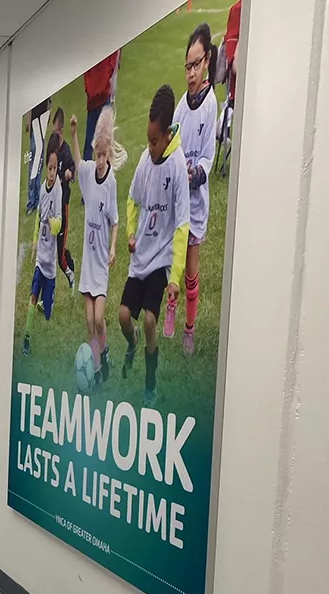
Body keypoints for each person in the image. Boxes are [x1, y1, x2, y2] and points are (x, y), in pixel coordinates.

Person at [120, 85, 189, 407]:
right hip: (140, 259)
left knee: (149, 319)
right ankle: (132, 346)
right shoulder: (145, 163)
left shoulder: (177, 166)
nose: (149, 147)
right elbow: (132, 199)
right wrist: (131, 233)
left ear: (167, 135)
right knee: (123, 317)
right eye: (147, 140)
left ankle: (150, 385)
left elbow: (182, 224)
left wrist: (175, 276)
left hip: (161, 260)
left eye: (153, 141)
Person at [170, 23, 219, 354]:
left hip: (196, 205)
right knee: (171, 263)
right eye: (187, 66)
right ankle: (169, 306)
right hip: (177, 205)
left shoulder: (210, 104)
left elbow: (206, 157)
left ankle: (190, 328)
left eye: (196, 64)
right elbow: (172, 145)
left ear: (208, 61)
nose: (191, 72)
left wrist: (194, 175)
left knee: (190, 270)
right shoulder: (180, 107)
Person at [69, 107, 126, 383]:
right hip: (87, 261)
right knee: (88, 321)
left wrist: (113, 248)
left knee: (99, 317)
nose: (101, 160)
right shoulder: (89, 172)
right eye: (98, 154)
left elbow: (115, 221)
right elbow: (78, 161)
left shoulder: (111, 183)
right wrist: (74, 133)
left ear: (109, 153)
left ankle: (104, 355)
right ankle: (96, 366)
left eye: (105, 155)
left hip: (101, 261)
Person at [22, 135, 64, 357]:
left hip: (51, 262)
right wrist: (34, 239)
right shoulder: (42, 189)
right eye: (49, 168)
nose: (51, 173)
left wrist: (52, 222)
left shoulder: (58, 190)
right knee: (32, 293)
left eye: (55, 168)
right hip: (41, 259)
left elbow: (59, 225)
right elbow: (38, 214)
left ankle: (48, 302)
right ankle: (27, 338)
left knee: (47, 313)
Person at [49, 108, 77, 290]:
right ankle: (45, 297)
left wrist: (69, 173)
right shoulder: (52, 152)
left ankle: (71, 275)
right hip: (52, 209)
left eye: (57, 132)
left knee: (60, 258)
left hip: (62, 208)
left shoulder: (65, 151)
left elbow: (74, 168)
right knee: (48, 254)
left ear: (62, 131)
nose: (55, 136)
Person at [81, 51, 121, 161]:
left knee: (100, 140)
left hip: (101, 94)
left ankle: (103, 168)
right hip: (97, 96)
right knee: (95, 141)